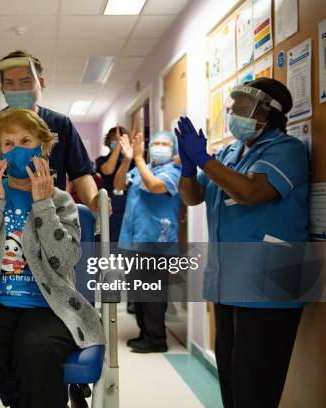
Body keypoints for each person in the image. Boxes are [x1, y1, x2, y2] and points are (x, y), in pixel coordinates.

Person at [0, 109, 105, 408]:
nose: (17, 150)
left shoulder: (61, 201)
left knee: (37, 349)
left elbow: (64, 261)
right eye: (8, 144)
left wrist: (42, 205)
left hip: (48, 304)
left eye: (26, 140)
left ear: (42, 147)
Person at [177, 78, 308, 407]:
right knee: (233, 382)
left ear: (270, 113)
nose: (234, 112)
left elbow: (251, 192)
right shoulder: (231, 153)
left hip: (270, 286)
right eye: (232, 106)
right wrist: (190, 169)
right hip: (228, 283)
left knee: (255, 388)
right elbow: (193, 198)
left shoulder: (287, 150)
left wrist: (206, 160)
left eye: (244, 106)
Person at [0, 50, 104, 214]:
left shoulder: (60, 124)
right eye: (10, 83)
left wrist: (94, 201)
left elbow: (81, 174)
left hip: (49, 216)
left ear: (41, 82)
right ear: (2, 87)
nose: (17, 89)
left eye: (25, 82)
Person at [115, 131, 182, 353]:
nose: (160, 146)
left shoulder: (174, 172)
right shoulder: (140, 168)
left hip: (156, 242)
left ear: (173, 150)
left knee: (153, 293)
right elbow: (118, 186)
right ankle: (145, 333)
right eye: (156, 143)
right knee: (138, 293)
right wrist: (127, 160)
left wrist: (138, 158)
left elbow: (154, 186)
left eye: (165, 143)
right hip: (134, 240)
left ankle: (157, 338)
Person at [95, 125, 132, 244]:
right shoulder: (101, 160)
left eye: (120, 139)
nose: (117, 142)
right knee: (109, 240)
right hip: (109, 206)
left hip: (127, 205)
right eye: (114, 140)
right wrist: (119, 146)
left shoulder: (131, 160)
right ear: (108, 141)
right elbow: (108, 170)